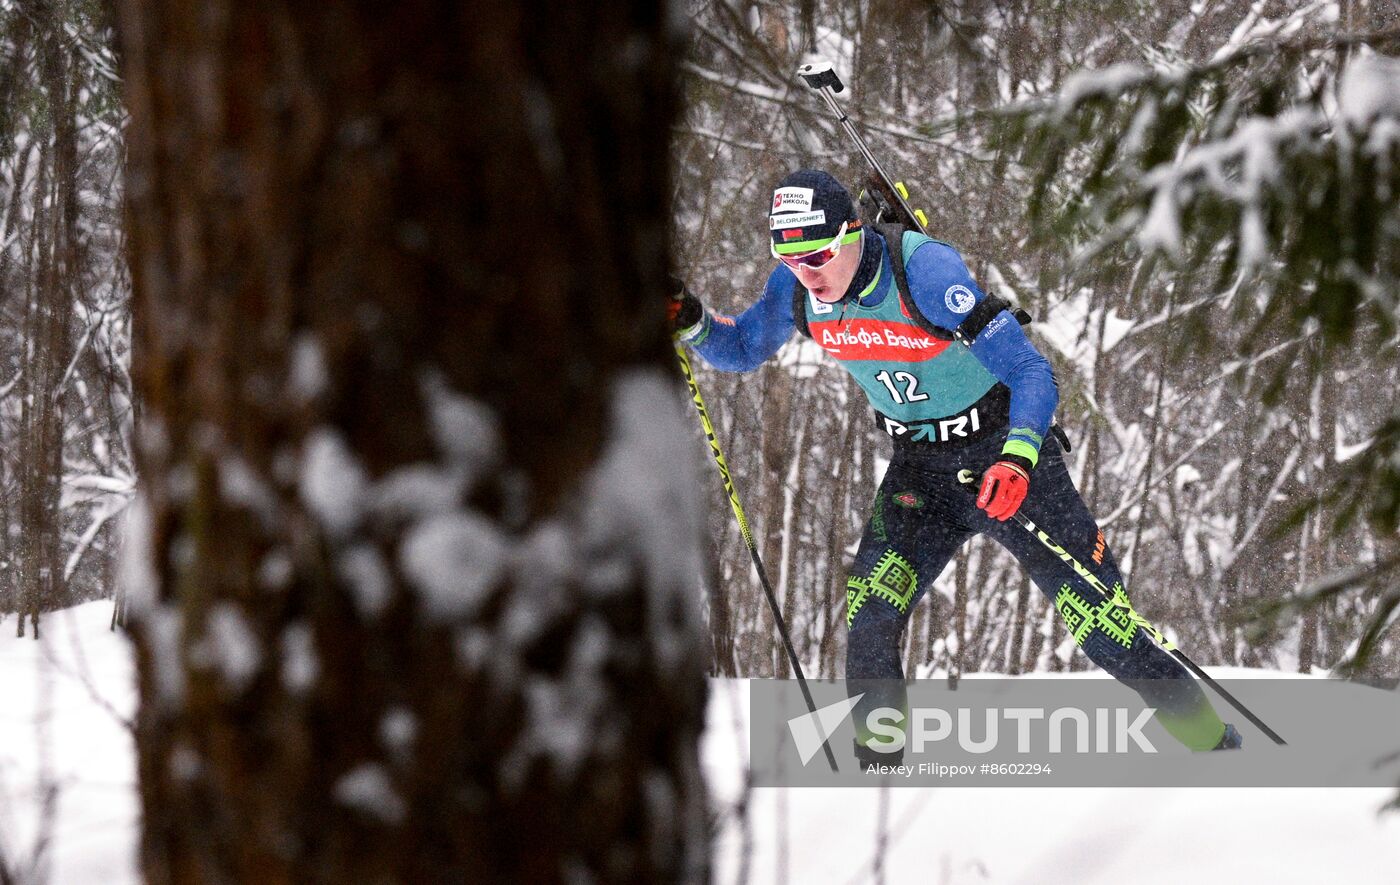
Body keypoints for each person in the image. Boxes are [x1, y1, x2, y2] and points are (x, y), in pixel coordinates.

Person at [674, 169, 1241, 764]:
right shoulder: (796, 291)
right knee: (869, 618)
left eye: (816, 254)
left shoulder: (923, 270)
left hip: (1004, 459)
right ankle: (875, 788)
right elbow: (738, 349)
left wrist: (1019, 459)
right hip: (920, 473)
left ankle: (1220, 750)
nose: (806, 273)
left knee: (1106, 629)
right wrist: (688, 316)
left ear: (853, 233)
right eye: (788, 257)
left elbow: (1031, 373)